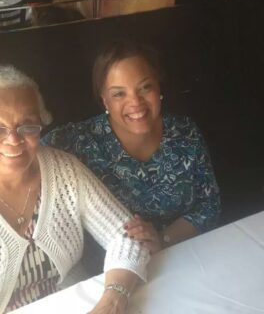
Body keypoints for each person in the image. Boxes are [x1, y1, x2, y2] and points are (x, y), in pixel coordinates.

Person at [0, 64, 150, 314]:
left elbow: (126, 234)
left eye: (27, 125)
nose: (14, 139)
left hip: (76, 303)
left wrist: (114, 299)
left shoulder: (63, 168)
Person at [42, 40, 221, 268]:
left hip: (182, 255)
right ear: (104, 99)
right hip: (106, 271)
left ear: (159, 87)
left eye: (145, 87)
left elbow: (209, 205)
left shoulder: (185, 132)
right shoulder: (76, 142)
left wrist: (163, 238)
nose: (135, 102)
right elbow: (24, 150)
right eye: (119, 94)